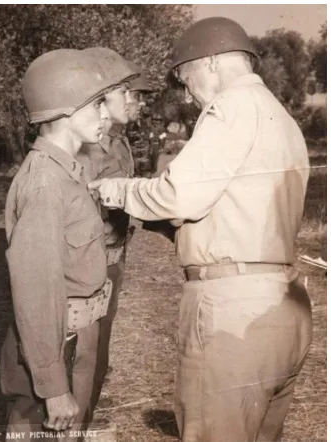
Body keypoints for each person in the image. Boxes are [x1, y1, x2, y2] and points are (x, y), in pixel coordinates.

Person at [88, 17, 313, 442]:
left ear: (210, 62)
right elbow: (240, 210)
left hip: (233, 314)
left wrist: (117, 190)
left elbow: (178, 195)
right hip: (283, 304)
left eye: (184, 78)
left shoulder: (231, 106)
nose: (187, 95)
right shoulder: (280, 118)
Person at [0, 48, 135, 441]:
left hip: (76, 336)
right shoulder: (46, 183)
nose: (107, 114)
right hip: (56, 344)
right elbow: (36, 292)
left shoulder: (68, 172)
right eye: (97, 104)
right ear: (62, 110)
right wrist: (53, 385)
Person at [77, 50, 153, 417]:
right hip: (93, 260)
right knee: (84, 348)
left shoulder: (118, 141)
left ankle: (87, 408)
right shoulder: (88, 147)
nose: (135, 101)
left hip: (114, 255)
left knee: (101, 342)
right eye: (129, 93)